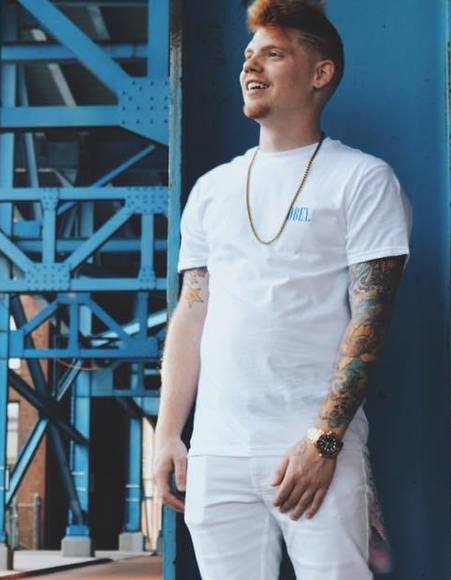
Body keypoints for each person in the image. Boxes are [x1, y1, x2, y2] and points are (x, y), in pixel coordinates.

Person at [153, 0, 412, 578]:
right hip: (216, 454)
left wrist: (325, 442)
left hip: (315, 449)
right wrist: (167, 434)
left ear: (321, 73)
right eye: (248, 55)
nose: (250, 66)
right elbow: (192, 313)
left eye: (272, 54)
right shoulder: (212, 189)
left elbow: (372, 316)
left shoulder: (362, 178)